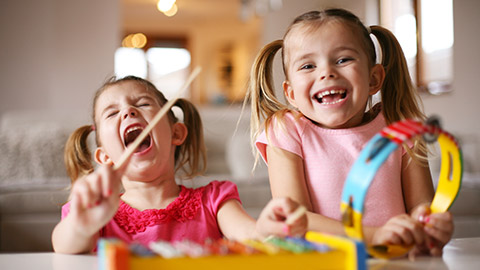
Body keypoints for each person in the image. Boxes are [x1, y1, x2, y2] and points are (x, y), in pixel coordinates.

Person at [245, 8, 453, 256]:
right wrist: (374, 236)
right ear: (291, 94)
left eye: (343, 60)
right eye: (308, 65)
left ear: (374, 79)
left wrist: (429, 224)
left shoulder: (400, 127)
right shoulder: (286, 130)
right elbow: (296, 220)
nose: (326, 72)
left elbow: (422, 205)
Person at [51, 76, 307, 254]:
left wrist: (266, 228)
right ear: (105, 157)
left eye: (142, 104)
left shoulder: (214, 199)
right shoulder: (94, 212)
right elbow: (64, 245)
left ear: (176, 134)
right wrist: (81, 225)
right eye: (112, 112)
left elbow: (249, 233)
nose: (128, 111)